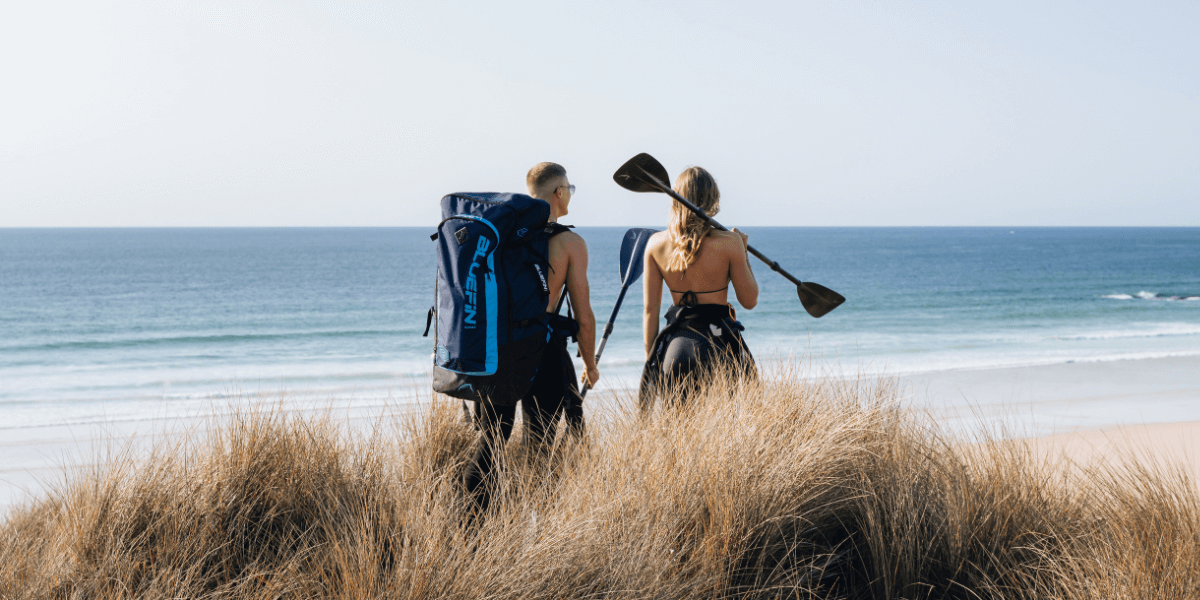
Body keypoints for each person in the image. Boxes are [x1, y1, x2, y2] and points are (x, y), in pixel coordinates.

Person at [462, 162, 599, 513]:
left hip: (497, 351)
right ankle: (539, 536)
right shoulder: (569, 243)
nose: (570, 193)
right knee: (542, 447)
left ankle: (472, 530)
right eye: (569, 187)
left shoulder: (499, 236)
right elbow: (584, 316)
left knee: (491, 441)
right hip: (544, 352)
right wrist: (590, 363)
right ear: (558, 192)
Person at [639, 166, 758, 410]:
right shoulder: (730, 243)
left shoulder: (655, 244)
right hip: (719, 345)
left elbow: (650, 311)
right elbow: (749, 300)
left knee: (679, 436)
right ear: (713, 199)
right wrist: (743, 253)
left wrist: (652, 360)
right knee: (724, 435)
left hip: (675, 348)